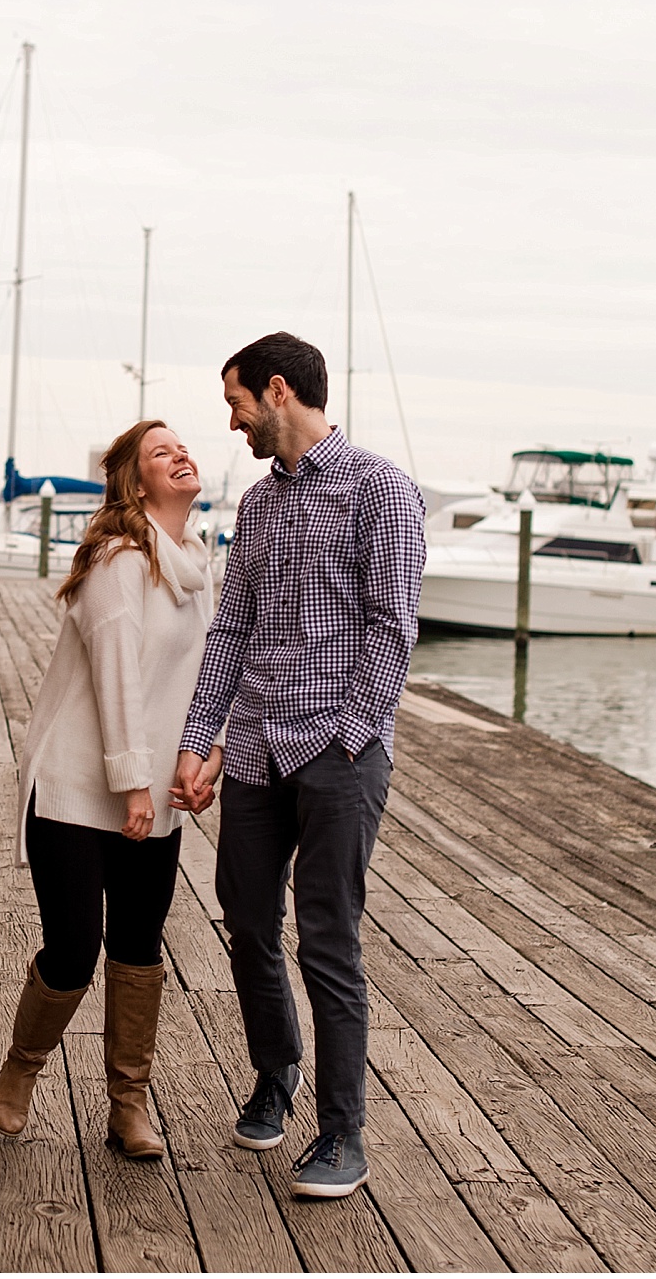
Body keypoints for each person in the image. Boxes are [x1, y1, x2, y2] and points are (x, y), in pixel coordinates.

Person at [171, 331, 425, 1199]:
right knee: (245, 915)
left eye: (236, 402)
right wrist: (200, 740)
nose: (232, 423)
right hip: (253, 750)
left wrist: (350, 737)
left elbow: (394, 630)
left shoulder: (381, 490)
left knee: (329, 939)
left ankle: (342, 1134)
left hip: (338, 756)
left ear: (277, 391)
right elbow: (232, 628)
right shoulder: (262, 502)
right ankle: (275, 1071)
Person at [0, 420, 215, 1160]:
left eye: (182, 446)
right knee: (74, 948)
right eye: (161, 452)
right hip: (80, 786)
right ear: (134, 483)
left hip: (154, 788)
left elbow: (197, 682)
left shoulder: (195, 563)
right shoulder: (119, 561)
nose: (180, 454)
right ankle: (21, 1070)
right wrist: (132, 785)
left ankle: (128, 1106)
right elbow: (118, 681)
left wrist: (203, 757)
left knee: (140, 947)